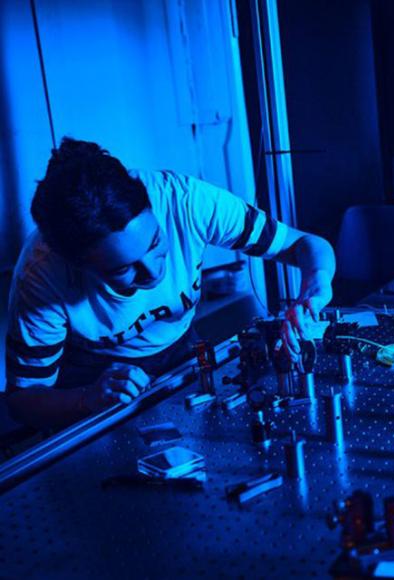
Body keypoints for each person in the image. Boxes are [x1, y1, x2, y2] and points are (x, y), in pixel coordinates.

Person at [5, 138, 335, 429]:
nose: (152, 273)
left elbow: (306, 247)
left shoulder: (184, 201)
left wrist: (313, 292)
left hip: (181, 348)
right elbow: (23, 403)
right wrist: (87, 399)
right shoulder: (42, 275)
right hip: (93, 377)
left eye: (154, 244)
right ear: (78, 265)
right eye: (124, 269)